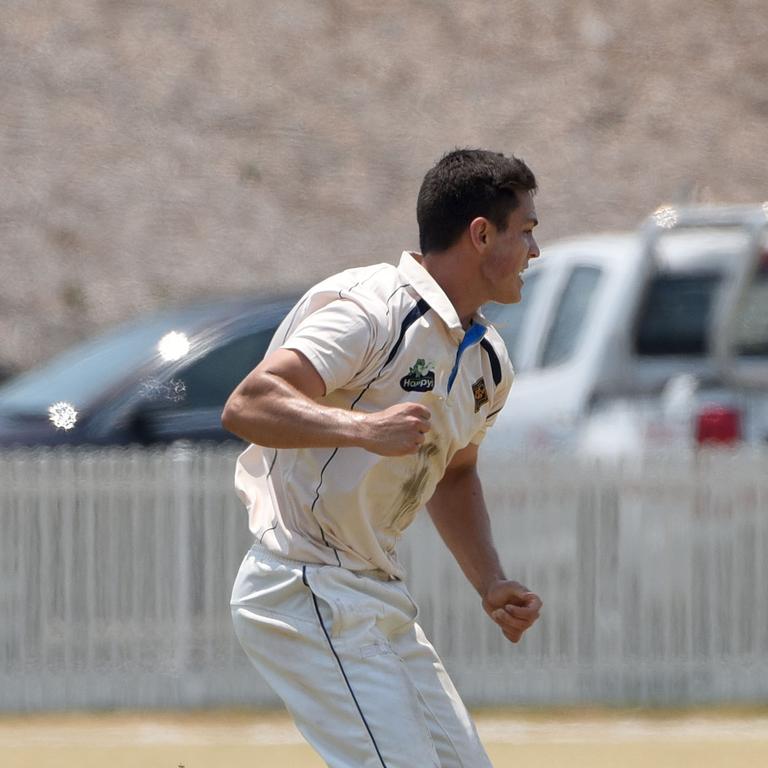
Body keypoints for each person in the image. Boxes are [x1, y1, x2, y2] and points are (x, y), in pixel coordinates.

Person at [222, 148, 543, 767]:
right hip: (302, 582)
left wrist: (491, 580)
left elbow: (455, 473)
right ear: (481, 234)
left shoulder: (488, 360)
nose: (535, 251)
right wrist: (361, 428)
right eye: (526, 230)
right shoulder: (375, 310)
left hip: (375, 593)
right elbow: (249, 401)